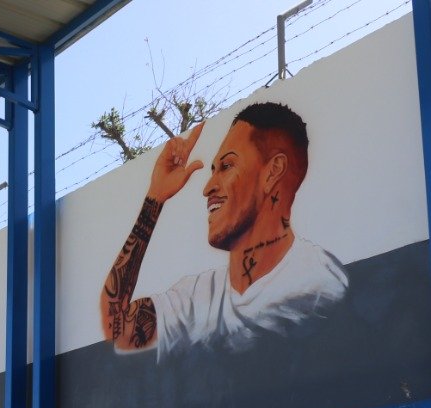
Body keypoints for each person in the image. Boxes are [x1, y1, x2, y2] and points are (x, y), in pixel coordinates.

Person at [99, 101, 347, 359]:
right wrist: (155, 198)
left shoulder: (322, 287)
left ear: (273, 171)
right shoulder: (196, 297)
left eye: (227, 166)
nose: (207, 188)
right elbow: (116, 330)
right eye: (213, 170)